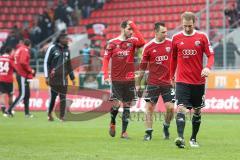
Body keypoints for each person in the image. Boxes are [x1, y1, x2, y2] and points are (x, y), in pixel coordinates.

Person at [170, 12, 214, 148]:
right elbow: (173, 59)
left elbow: (210, 55)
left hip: (198, 81)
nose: (187, 28)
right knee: (181, 108)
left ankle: (193, 139)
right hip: (182, 80)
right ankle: (180, 138)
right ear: (182, 23)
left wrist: (207, 67)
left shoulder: (202, 37)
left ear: (194, 23)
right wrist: (171, 76)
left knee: (197, 111)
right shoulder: (176, 38)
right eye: (184, 26)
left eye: (189, 26)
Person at [102, 20, 145, 139]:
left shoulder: (133, 41)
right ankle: (112, 121)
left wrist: (134, 26)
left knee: (127, 105)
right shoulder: (112, 43)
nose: (131, 32)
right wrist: (106, 75)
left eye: (132, 29)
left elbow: (142, 42)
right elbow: (105, 60)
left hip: (129, 79)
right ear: (122, 29)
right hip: (116, 80)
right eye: (129, 29)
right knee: (116, 104)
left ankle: (124, 132)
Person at [137, 22, 175, 141]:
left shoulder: (171, 44)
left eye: (166, 31)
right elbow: (142, 68)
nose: (166, 33)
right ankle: (148, 133)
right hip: (153, 83)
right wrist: (138, 84)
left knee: (170, 108)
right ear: (156, 32)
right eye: (163, 32)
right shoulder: (148, 47)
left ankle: (166, 126)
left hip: (167, 83)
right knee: (149, 108)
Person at [44, 32, 76, 121]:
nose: (67, 40)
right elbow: (46, 62)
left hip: (64, 79)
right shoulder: (52, 48)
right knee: (53, 98)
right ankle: (49, 113)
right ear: (60, 39)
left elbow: (69, 65)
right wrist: (46, 76)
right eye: (65, 39)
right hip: (54, 79)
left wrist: (72, 78)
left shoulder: (67, 50)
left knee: (63, 98)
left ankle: (62, 117)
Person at [5, 39, 35, 117]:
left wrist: (16, 67)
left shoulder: (18, 49)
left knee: (27, 94)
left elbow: (11, 58)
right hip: (22, 75)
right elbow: (23, 62)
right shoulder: (25, 50)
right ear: (30, 45)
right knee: (22, 94)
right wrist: (30, 70)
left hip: (21, 74)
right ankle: (9, 110)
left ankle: (27, 113)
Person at [0, 47, 15, 114]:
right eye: (13, 52)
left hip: (0, 78)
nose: (13, 53)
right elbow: (15, 67)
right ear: (10, 52)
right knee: (10, 95)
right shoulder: (10, 59)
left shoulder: (0, 58)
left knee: (2, 94)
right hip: (8, 79)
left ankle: (3, 109)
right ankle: (10, 109)